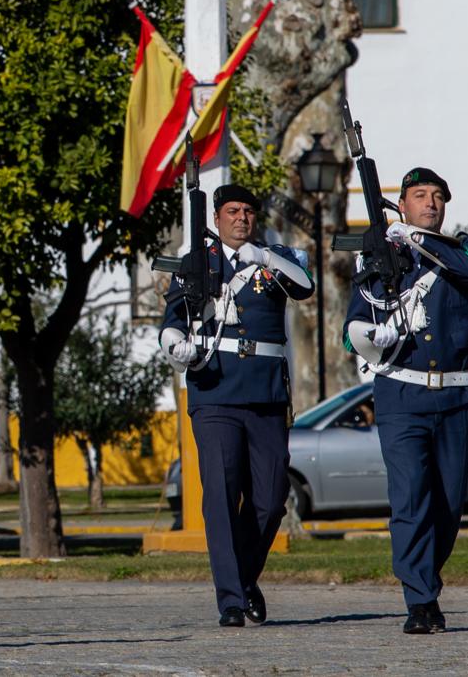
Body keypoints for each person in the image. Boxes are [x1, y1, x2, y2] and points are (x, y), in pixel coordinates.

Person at [158, 184, 314, 628]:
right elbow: (173, 319)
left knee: (269, 500)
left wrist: (264, 259)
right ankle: (230, 598)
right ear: (217, 216)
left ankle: (244, 578)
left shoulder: (275, 258)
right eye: (232, 211)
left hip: (265, 392)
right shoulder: (198, 263)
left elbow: (304, 288)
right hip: (215, 391)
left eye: (248, 210)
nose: (241, 218)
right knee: (223, 495)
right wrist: (174, 343)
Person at [342, 168, 468, 634]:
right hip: (402, 395)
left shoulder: (461, 250)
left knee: (447, 506)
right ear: (401, 203)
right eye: (420, 196)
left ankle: (426, 575)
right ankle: (421, 601)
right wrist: (372, 336)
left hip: (456, 397)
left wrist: (418, 240)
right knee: (410, 500)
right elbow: (354, 326)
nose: (431, 203)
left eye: (438, 196)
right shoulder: (380, 256)